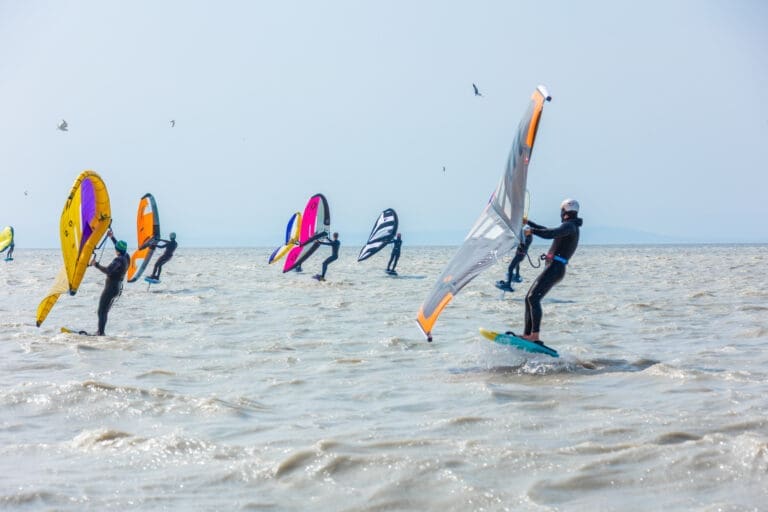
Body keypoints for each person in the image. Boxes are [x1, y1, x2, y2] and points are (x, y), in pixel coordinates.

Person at [520, 199, 582, 343]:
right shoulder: (569, 226)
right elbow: (549, 230)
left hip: (555, 268)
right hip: (553, 268)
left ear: (564, 211)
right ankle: (528, 335)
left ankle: (534, 336)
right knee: (529, 298)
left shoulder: (570, 226)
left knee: (533, 298)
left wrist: (532, 230)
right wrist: (529, 223)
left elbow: (550, 233)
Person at [89, 230, 130, 336]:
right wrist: (112, 237)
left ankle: (100, 333)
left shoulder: (118, 260)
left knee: (101, 311)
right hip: (117, 288)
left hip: (110, 289)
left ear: (117, 250)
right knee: (105, 311)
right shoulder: (126, 257)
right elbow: (119, 246)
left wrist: (96, 264)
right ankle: (101, 332)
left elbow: (108, 270)